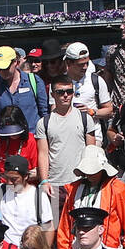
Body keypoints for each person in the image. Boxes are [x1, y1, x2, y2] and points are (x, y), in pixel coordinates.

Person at [56, 146, 125, 249]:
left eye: (94, 170)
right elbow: (65, 224)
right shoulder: (74, 189)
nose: (90, 174)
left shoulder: (117, 188)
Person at [37, 75, 98, 214]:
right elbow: (43, 154)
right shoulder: (44, 123)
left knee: (80, 227)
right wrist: (44, 181)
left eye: (69, 92)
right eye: (60, 92)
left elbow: (92, 152)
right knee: (54, 228)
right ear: (53, 95)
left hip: (80, 182)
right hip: (55, 184)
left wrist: (92, 180)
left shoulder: (85, 119)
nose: (65, 95)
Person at [0, 46, 49, 166]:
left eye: (6, 68)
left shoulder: (34, 81)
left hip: (32, 143)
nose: (2, 72)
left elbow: (44, 115)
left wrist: (45, 144)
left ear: (16, 62)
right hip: (7, 144)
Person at [0, 155, 54, 249]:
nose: (9, 183)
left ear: (26, 176)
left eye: (14, 179)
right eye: (6, 178)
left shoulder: (38, 196)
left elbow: (48, 228)